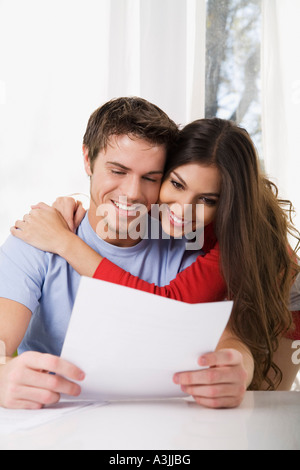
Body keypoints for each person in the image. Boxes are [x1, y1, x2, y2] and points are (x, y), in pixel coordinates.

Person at [13, 118, 300, 396]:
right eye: (176, 184)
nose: (183, 209)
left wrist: (65, 243)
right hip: (223, 291)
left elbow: (165, 304)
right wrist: (71, 203)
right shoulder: (158, 210)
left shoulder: (232, 242)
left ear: (226, 202)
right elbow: (120, 197)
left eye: (207, 199)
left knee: (263, 396)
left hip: (281, 301)